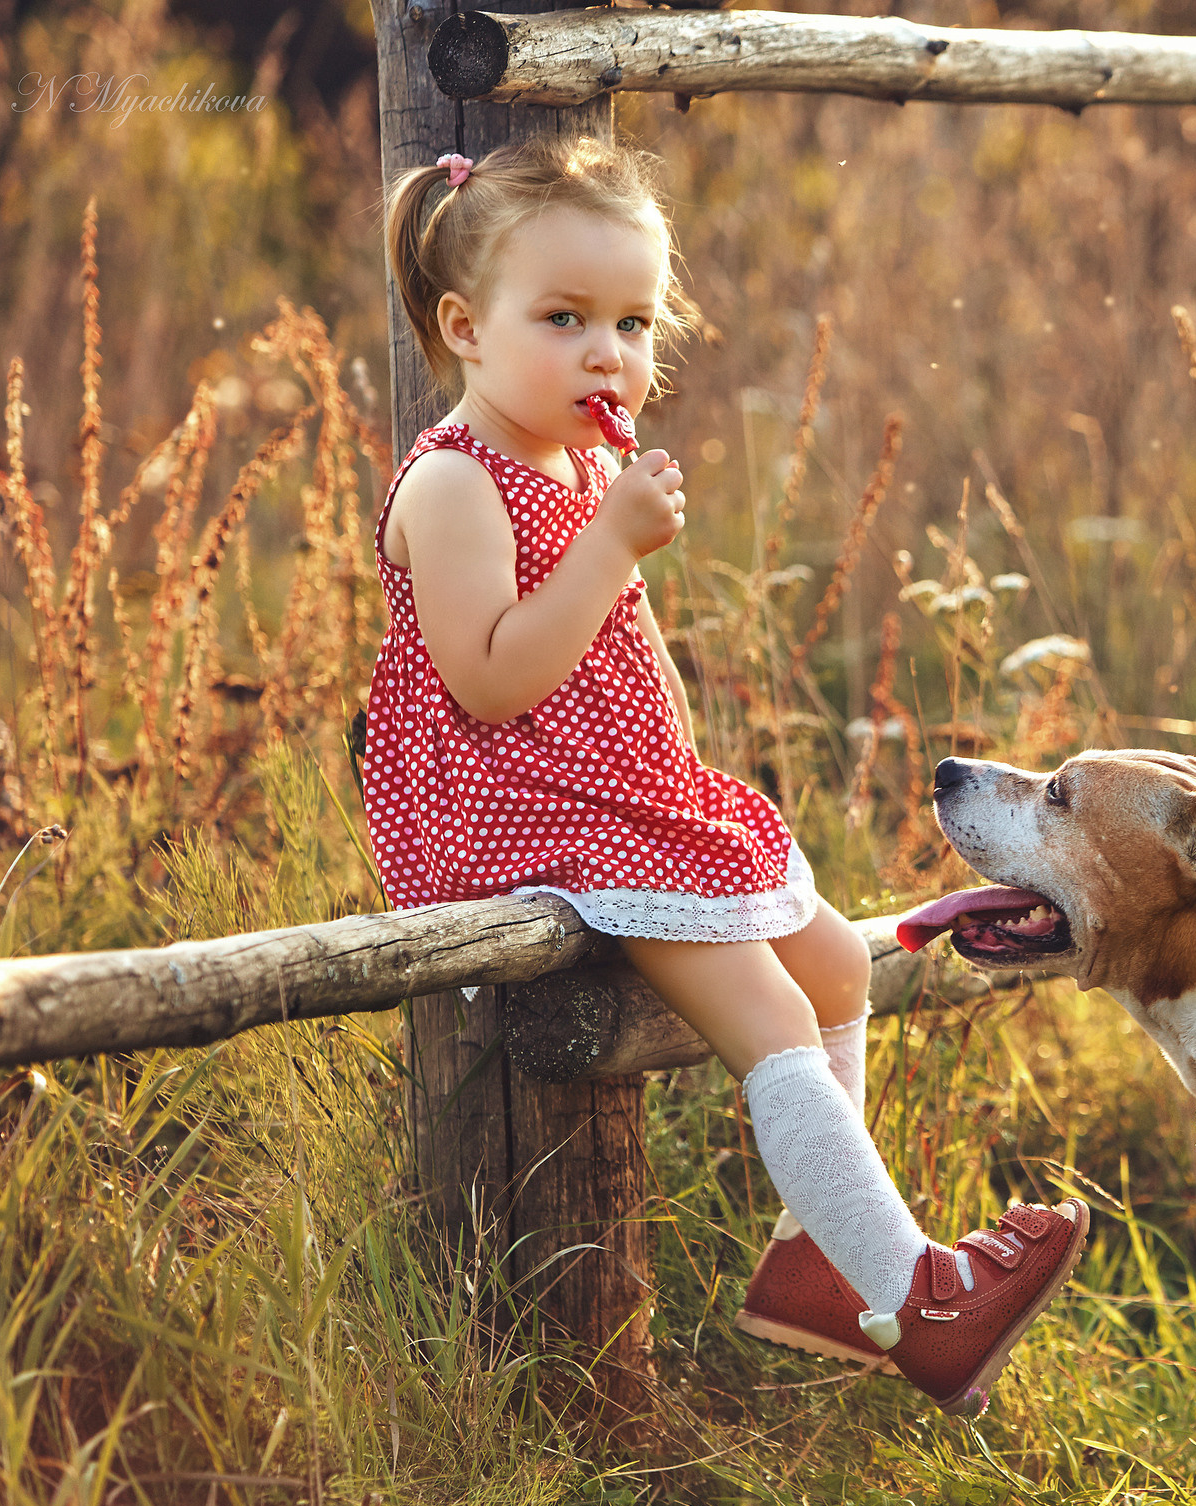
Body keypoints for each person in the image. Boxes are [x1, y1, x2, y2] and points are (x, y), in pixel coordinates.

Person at [369, 136, 1084, 1417]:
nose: (610, 354)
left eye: (634, 322)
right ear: (466, 330)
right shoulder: (455, 483)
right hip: (515, 819)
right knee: (766, 1012)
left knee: (838, 968)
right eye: (566, 318)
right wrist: (609, 548)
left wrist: (662, 711)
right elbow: (490, 681)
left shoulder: (583, 469)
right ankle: (918, 1302)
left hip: (617, 803)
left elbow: (625, 663)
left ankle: (825, 1266)